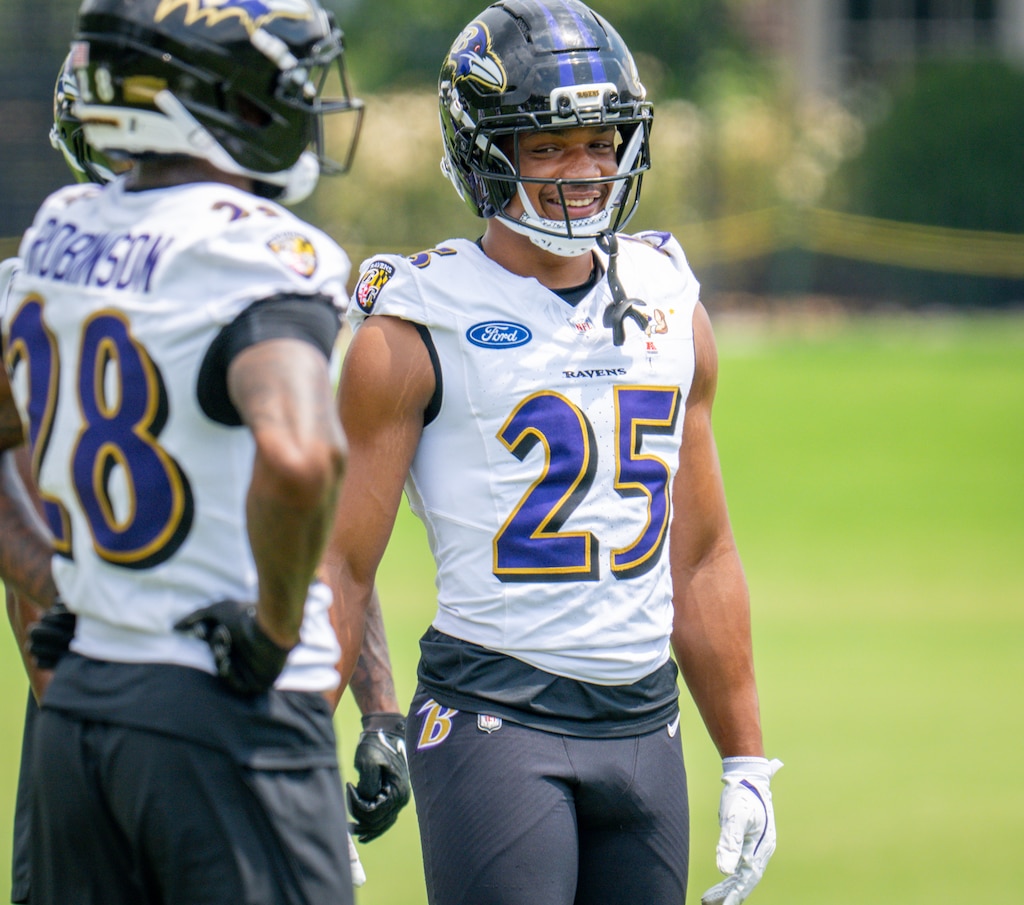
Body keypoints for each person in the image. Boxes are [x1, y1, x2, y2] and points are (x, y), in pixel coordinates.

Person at [319, 2, 783, 904]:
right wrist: (298, 761)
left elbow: (701, 553)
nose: (587, 172)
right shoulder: (417, 320)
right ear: (485, 153)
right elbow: (337, 563)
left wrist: (748, 756)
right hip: (498, 719)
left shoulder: (669, 300)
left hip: (647, 725)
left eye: (602, 142)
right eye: (550, 147)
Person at [0, 0, 396, 901]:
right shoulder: (252, 251)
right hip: (224, 715)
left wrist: (47, 577)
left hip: (80, 708)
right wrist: (271, 629)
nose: (296, 105)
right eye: (274, 85)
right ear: (204, 99)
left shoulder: (58, 230)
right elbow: (301, 458)